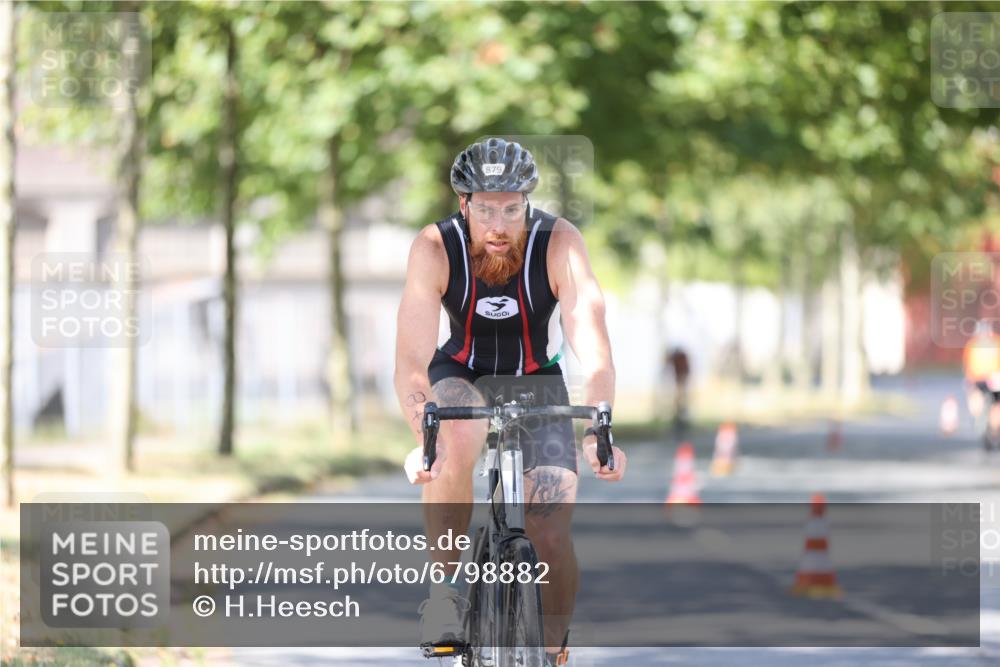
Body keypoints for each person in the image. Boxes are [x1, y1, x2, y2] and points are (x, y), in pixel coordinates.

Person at [394, 137, 626, 666]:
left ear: (528, 204)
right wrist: (422, 439)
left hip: (536, 376)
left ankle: (552, 648)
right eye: (485, 209)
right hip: (460, 374)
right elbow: (410, 360)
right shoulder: (433, 248)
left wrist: (599, 429)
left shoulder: (560, 242)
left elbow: (592, 342)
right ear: (464, 205)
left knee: (550, 525)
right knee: (453, 440)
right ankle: (445, 594)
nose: (498, 225)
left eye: (512, 209)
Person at [962, 320, 1000, 449]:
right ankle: (992, 428)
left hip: (982, 379)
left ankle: (980, 419)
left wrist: (968, 380)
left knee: (987, 402)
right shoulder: (996, 342)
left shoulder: (972, 344)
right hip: (991, 378)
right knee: (995, 404)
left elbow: (967, 365)